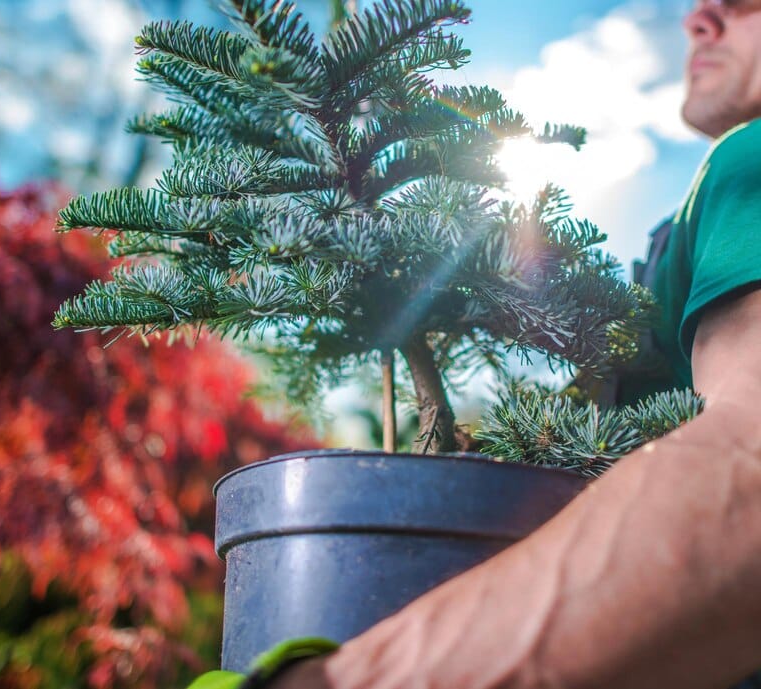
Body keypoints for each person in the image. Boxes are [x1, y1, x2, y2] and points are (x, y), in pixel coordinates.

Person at [270, 1, 761, 686]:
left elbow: (748, 476)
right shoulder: (690, 216)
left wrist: (349, 677)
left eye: (741, 2)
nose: (699, 18)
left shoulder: (750, 164)